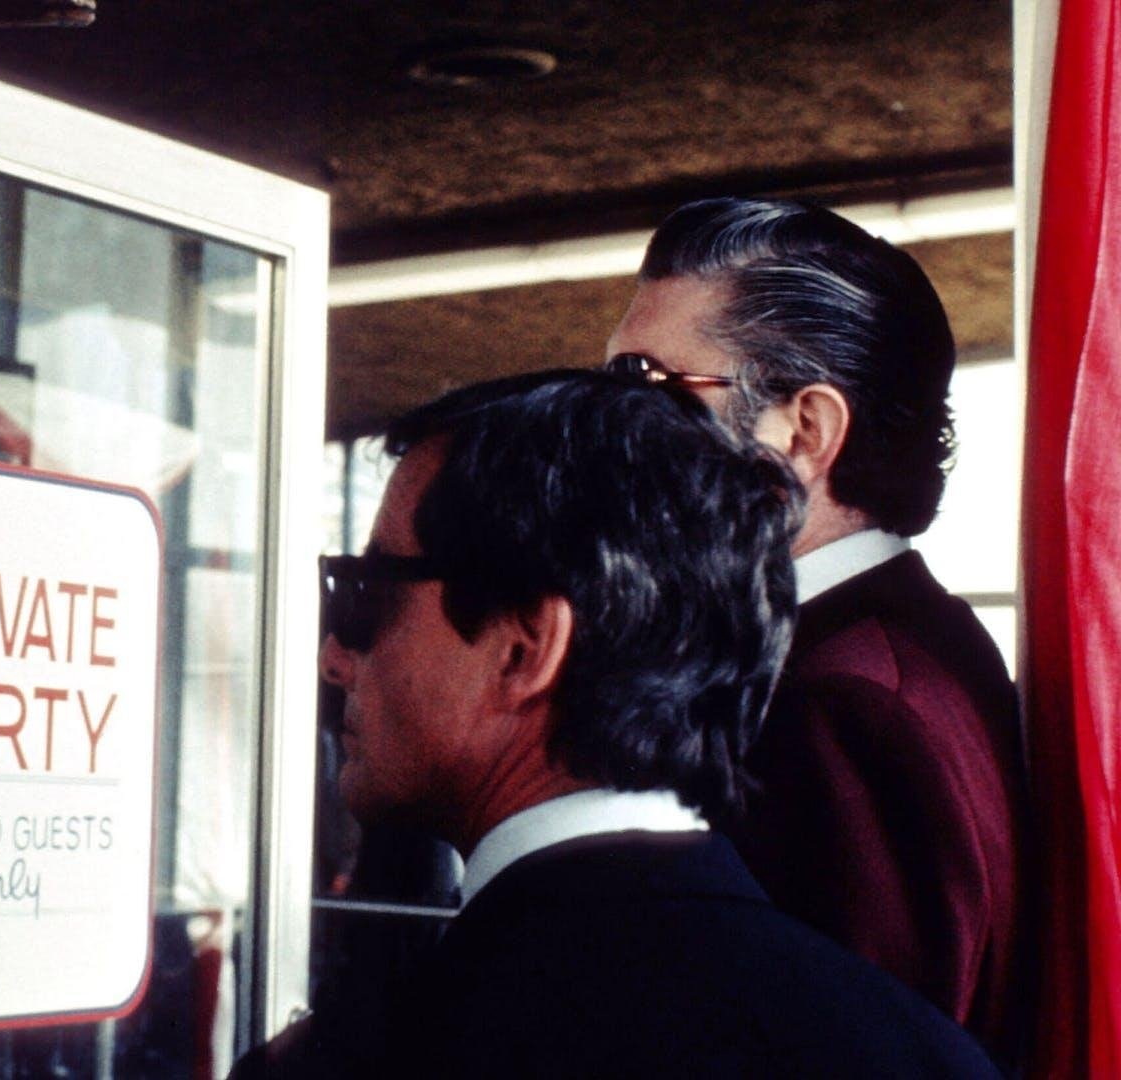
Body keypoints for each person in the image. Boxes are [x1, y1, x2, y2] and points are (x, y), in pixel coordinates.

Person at [236, 370, 997, 1077]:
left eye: (370, 594)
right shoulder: (921, 1053)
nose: (334, 659)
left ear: (526, 648)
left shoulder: (377, 1058)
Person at [605, 197, 1026, 1064]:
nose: (606, 433)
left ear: (805, 431)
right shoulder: (884, 655)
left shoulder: (842, 704)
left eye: (646, 387)